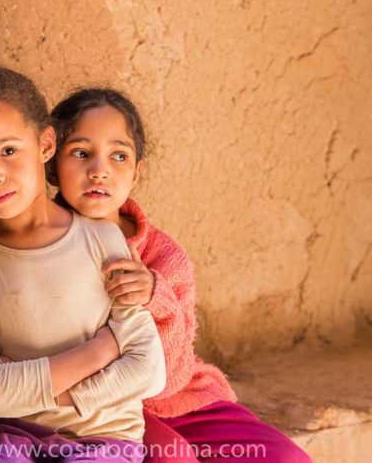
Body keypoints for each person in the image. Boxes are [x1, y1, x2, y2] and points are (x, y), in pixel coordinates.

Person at [0, 34, 166, 462]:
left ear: (44, 145)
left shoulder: (100, 238)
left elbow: (149, 371)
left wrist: (35, 390)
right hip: (10, 442)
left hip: (107, 441)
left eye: (8, 150)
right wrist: (102, 349)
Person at [50, 88, 312, 462]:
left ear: (137, 173)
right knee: (172, 457)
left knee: (285, 459)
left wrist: (157, 298)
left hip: (175, 400)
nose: (99, 170)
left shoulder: (164, 258)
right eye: (80, 153)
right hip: (91, 405)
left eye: (119, 156)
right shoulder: (37, 241)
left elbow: (169, 380)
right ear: (51, 162)